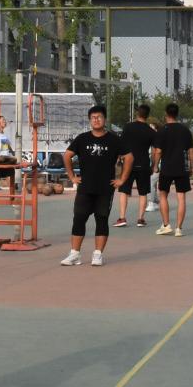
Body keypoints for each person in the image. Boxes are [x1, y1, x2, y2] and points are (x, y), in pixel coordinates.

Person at [60, 105, 133, 267]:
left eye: (99, 117)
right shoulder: (82, 138)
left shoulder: (113, 139)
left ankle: (98, 254)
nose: (96, 120)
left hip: (105, 188)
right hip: (85, 188)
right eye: (93, 118)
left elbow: (129, 157)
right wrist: (72, 176)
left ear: (104, 119)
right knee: (79, 219)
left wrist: (122, 179)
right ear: (89, 120)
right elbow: (67, 155)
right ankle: (75, 254)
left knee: (102, 220)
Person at [152, 103, 193, 237]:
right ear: (177, 114)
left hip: (167, 168)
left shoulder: (162, 130)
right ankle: (179, 229)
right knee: (181, 198)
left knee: (163, 195)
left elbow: (158, 151)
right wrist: (192, 167)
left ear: (166, 114)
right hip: (182, 168)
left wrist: (155, 166)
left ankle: (166, 225)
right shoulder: (185, 130)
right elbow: (191, 151)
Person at [114, 105, 156, 228]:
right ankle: (140, 219)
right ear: (147, 115)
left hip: (128, 163)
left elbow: (121, 144)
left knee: (124, 191)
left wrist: (118, 158)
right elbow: (154, 151)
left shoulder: (128, 127)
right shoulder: (151, 131)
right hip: (143, 164)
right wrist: (153, 165)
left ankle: (122, 218)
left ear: (138, 114)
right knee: (143, 193)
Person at [145, 121, 162, 212]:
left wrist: (155, 165)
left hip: (158, 165)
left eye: (152, 127)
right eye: (149, 127)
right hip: (153, 165)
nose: (150, 129)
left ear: (156, 129)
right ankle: (155, 201)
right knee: (153, 183)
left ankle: (151, 203)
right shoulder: (150, 139)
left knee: (150, 182)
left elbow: (157, 153)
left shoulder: (158, 139)